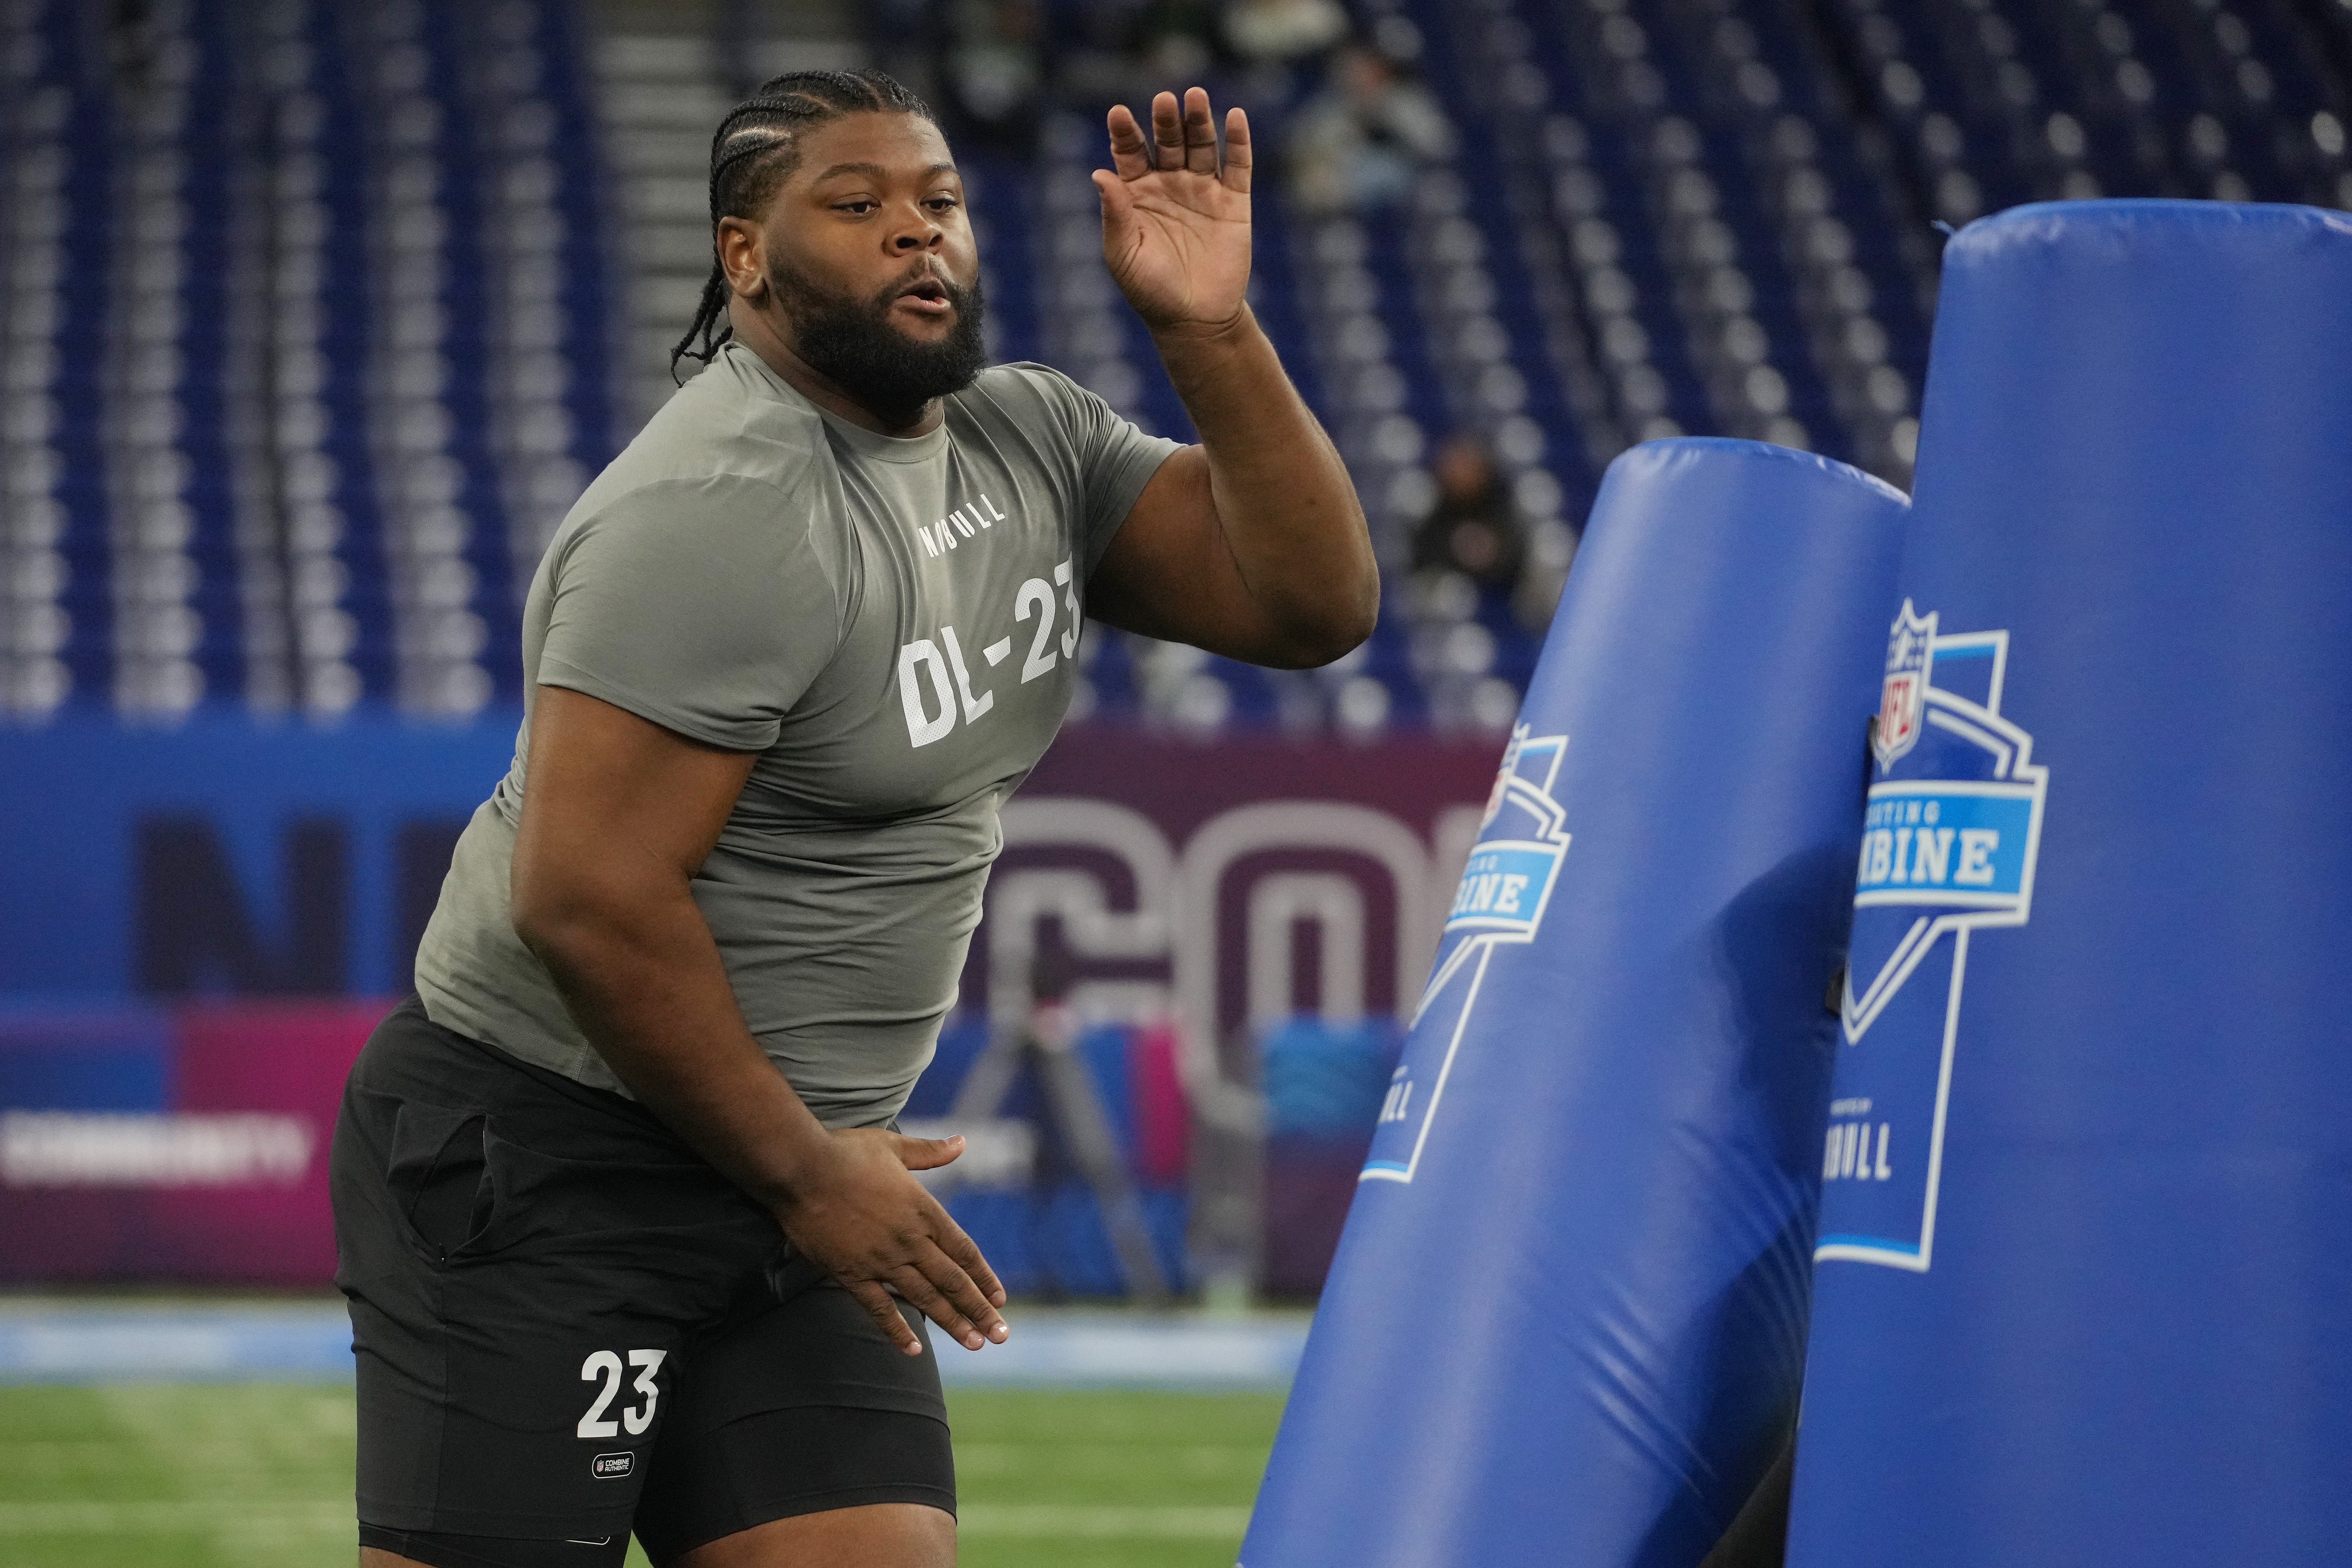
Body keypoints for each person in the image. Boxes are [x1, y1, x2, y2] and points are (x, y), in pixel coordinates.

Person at [330, 67, 1374, 1568]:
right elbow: (587, 896)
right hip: (553, 1154)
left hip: (804, 1172)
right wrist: (810, 1177)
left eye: (938, 202)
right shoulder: (713, 508)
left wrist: (1205, 333)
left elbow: (1311, 603)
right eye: (859, 204)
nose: (917, 234)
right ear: (743, 255)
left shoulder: (1030, 440)